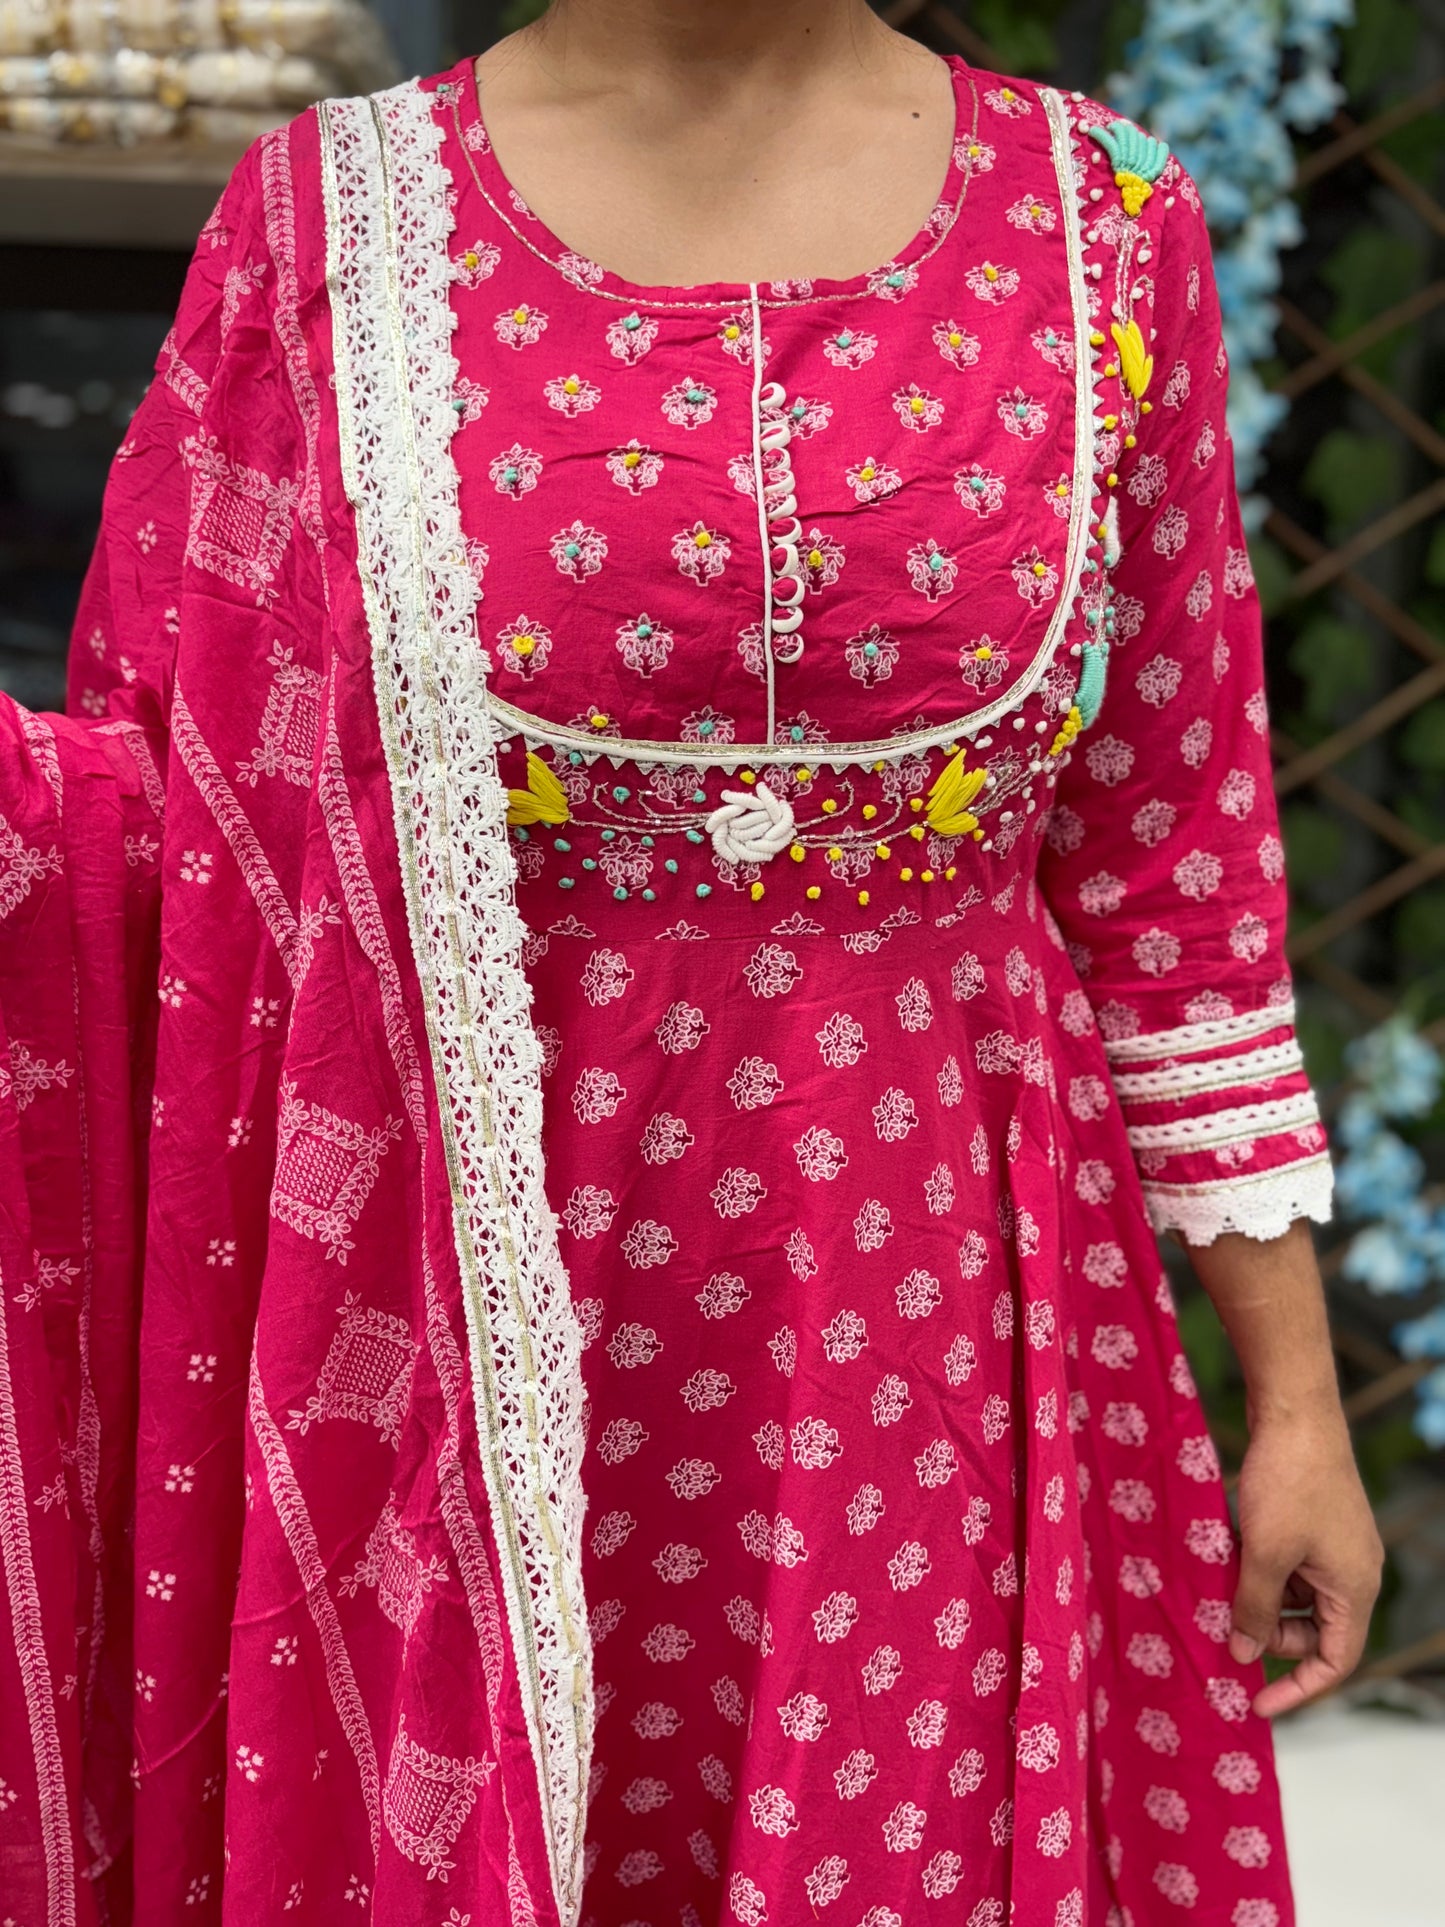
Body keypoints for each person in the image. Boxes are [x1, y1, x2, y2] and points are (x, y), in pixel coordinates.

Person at [0, 3, 1384, 1923]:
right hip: (461, 1288)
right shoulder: (322, 222)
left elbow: (1172, 872)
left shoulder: (1102, 214)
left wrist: (1296, 1410)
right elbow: (176, 821)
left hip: (940, 1301)